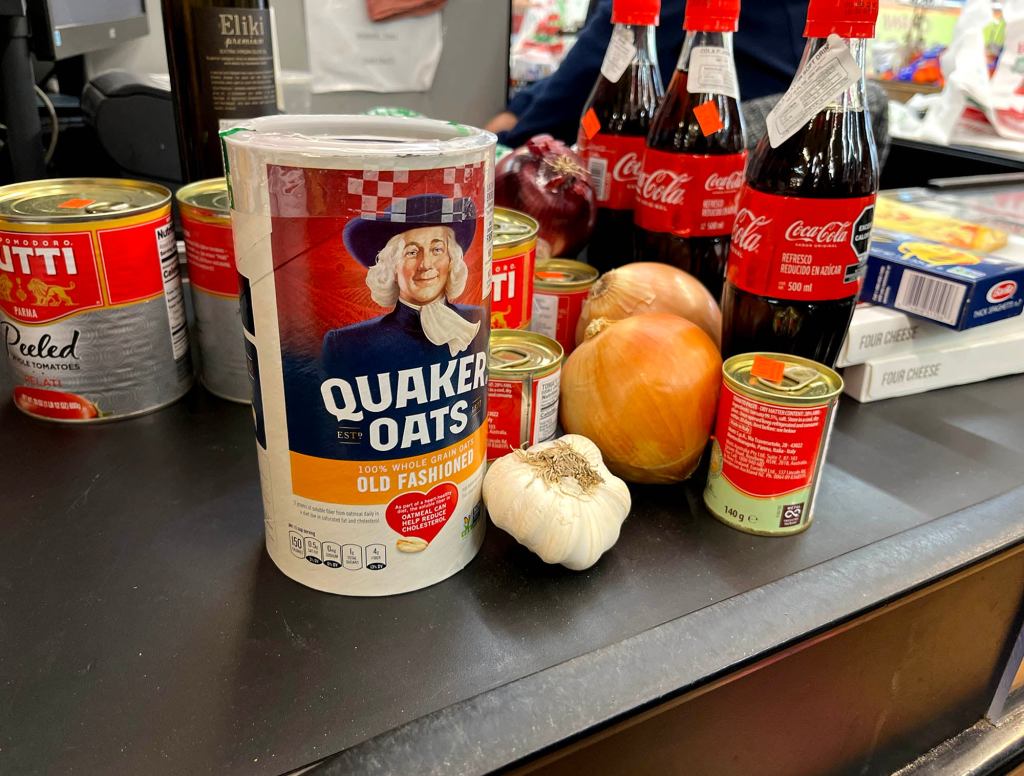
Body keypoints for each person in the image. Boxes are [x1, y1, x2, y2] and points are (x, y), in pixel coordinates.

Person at [488, 0, 810, 148]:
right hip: (744, 130)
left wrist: (512, 140)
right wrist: (519, 109)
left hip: (725, 140)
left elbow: (608, 51)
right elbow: (603, 51)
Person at [322, 193, 485, 379]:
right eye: (412, 252)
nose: (426, 264)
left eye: (437, 250)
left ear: (451, 259)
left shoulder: (476, 318)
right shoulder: (347, 345)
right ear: (391, 266)